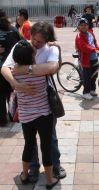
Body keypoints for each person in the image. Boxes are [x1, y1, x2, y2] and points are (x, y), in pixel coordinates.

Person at [1, 21, 66, 182]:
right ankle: (34, 168)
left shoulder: (51, 48)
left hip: (45, 103)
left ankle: (56, 166)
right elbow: (4, 68)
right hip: (34, 107)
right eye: (34, 39)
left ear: (47, 39)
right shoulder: (22, 46)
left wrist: (25, 69)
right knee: (33, 142)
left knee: (50, 138)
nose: (36, 44)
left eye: (40, 41)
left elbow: (52, 67)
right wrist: (16, 84)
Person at [0, 9, 22, 126]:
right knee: (12, 92)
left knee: (1, 94)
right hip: (12, 68)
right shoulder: (13, 30)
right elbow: (23, 44)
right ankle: (13, 116)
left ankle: (2, 120)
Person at [75, 18, 99, 100]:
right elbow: (84, 47)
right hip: (86, 59)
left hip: (94, 58)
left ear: (88, 26)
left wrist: (97, 48)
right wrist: (94, 50)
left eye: (85, 25)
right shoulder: (79, 36)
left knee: (95, 75)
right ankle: (86, 93)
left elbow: (94, 42)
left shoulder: (90, 33)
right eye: (81, 25)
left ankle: (92, 90)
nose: (83, 27)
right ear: (79, 27)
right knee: (87, 77)